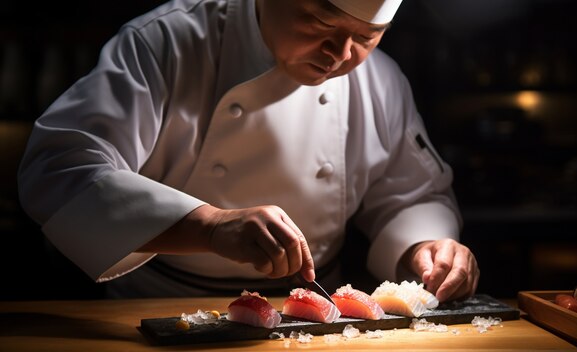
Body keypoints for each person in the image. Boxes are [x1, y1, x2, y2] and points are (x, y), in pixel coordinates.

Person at [18, 0, 479, 301]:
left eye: (365, 37)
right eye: (320, 22)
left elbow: (413, 194)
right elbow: (60, 168)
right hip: (160, 308)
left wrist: (426, 247)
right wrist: (209, 225)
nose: (340, 53)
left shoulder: (380, 80)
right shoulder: (166, 43)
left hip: (313, 313)